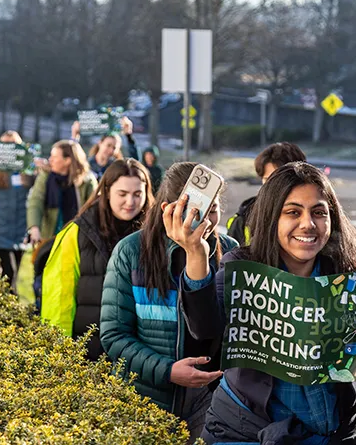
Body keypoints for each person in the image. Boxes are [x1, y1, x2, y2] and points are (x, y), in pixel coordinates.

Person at [179, 162, 356, 444]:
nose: (308, 223)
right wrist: (195, 255)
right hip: (245, 433)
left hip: (343, 435)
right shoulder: (243, 269)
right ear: (272, 218)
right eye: (293, 212)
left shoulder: (352, 280)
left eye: (319, 212)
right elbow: (203, 330)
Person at [99, 162, 238, 441]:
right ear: (169, 209)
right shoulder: (131, 252)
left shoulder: (231, 251)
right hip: (146, 397)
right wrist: (167, 371)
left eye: (213, 209)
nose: (207, 221)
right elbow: (114, 335)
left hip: (212, 398)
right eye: (197, 211)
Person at [41, 158, 154, 359]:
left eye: (138, 194)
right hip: (88, 354)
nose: (130, 202)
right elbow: (58, 299)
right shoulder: (76, 233)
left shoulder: (157, 236)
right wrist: (59, 353)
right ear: (107, 191)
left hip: (141, 358)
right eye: (123, 194)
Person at [226, 142, 307, 246]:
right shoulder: (243, 220)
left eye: (280, 179)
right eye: (268, 179)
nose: (273, 186)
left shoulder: (316, 216)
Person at [26, 140, 97, 245]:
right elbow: (36, 201)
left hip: (77, 237)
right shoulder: (46, 176)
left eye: (54, 157)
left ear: (67, 160)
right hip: (50, 235)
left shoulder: (87, 181)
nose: (50, 160)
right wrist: (34, 228)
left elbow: (94, 209)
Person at [0, 131, 32, 292]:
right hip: (1, 228)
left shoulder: (27, 172)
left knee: (16, 273)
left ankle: (8, 303)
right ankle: (8, 303)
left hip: (20, 228)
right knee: (9, 271)